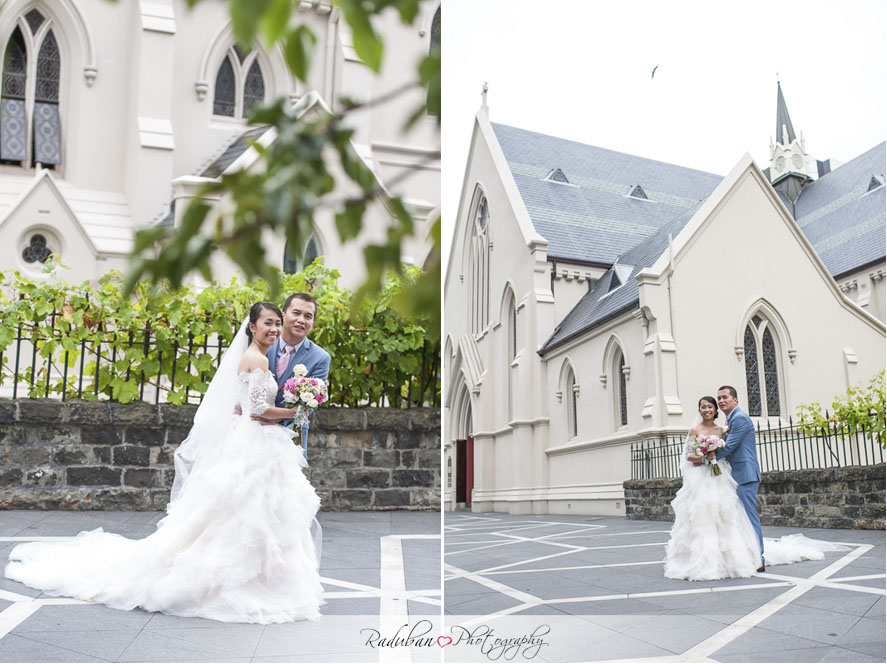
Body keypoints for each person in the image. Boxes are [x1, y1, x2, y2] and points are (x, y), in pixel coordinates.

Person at [5, 302, 324, 623]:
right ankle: (241, 579)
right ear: (252, 327)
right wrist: (295, 412)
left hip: (258, 441)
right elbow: (258, 410)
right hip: (255, 442)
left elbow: (244, 405)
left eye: (275, 323)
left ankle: (262, 578)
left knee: (258, 511)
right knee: (247, 510)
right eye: (267, 323)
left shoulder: (261, 356)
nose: (273, 328)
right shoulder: (256, 358)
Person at [664, 392, 849, 581]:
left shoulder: (735, 422)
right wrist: (706, 457)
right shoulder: (713, 425)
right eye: (707, 404)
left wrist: (711, 456)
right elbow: (691, 455)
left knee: (741, 517)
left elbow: (729, 447)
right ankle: (716, 557)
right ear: (699, 409)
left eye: (722, 399)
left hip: (737, 475)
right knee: (712, 518)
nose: (714, 405)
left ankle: (757, 558)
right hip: (716, 477)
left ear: (733, 401)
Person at [256, 293, 331, 429]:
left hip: (292, 431)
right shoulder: (261, 344)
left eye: (308, 316)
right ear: (283, 315)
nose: (301, 320)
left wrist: (279, 418)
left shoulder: (320, 357)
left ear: (313, 323)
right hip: (254, 425)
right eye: (296, 313)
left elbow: (314, 402)